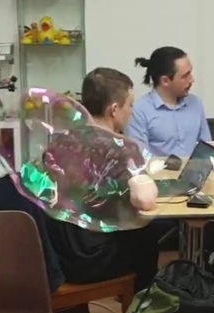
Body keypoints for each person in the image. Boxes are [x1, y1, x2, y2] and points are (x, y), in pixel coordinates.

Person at [44, 67, 161, 293]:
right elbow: (145, 201)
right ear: (114, 109)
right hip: (91, 261)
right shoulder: (117, 148)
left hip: (59, 258)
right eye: (130, 105)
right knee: (147, 236)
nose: (132, 112)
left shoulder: (59, 142)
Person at [126, 46, 211, 157]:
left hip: (195, 172)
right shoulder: (138, 111)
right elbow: (140, 158)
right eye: (185, 76)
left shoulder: (195, 103)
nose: (192, 80)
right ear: (165, 81)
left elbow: (208, 148)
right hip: (158, 173)